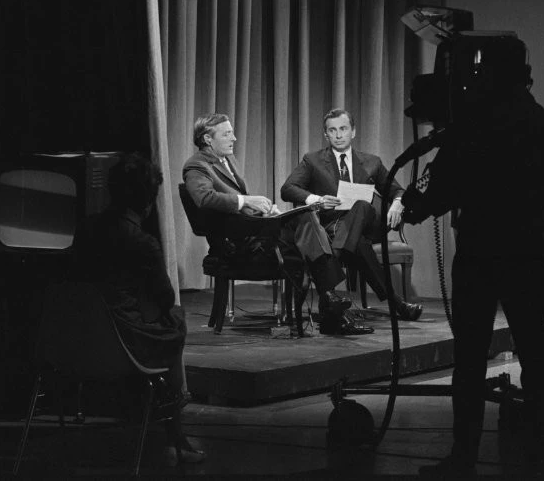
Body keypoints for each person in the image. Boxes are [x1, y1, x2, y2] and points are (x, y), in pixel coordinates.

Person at [403, 40, 544, 477]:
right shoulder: (542, 122)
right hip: (525, 249)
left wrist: (415, 205)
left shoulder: (474, 123)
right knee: (534, 354)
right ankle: (539, 450)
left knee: (471, 358)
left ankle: (464, 456)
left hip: (480, 251)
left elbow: (442, 186)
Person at [182, 113, 369, 335]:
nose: (234, 138)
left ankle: (330, 303)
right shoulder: (197, 165)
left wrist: (265, 210)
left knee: (306, 216)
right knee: (305, 223)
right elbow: (204, 198)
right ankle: (330, 300)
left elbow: (238, 206)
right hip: (236, 243)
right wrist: (246, 201)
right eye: (227, 134)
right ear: (207, 139)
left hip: (254, 230)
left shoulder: (228, 161)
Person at [73, 152, 205, 463]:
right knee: (175, 317)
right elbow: (165, 298)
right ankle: (175, 431)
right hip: (123, 344)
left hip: (74, 341)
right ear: (148, 200)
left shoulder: (85, 229)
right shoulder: (142, 242)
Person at [280, 108, 423, 322]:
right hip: (335, 227)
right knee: (359, 245)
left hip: (368, 226)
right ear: (326, 134)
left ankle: (332, 266)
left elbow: (397, 190)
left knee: (362, 206)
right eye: (333, 130)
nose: (338, 135)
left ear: (353, 132)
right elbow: (288, 188)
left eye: (343, 129)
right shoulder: (313, 161)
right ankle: (398, 304)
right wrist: (317, 199)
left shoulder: (372, 162)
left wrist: (397, 203)